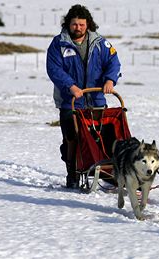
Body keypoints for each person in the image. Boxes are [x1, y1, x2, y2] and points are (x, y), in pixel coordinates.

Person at [46, 4, 121, 188]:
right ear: (68, 24)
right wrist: (70, 86)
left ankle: (104, 172)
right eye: (74, 24)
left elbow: (113, 62)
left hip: (96, 100)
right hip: (70, 102)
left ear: (88, 24)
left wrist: (110, 80)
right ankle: (72, 174)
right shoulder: (59, 44)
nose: (77, 28)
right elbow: (53, 69)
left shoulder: (100, 43)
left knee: (100, 138)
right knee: (71, 139)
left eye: (81, 24)